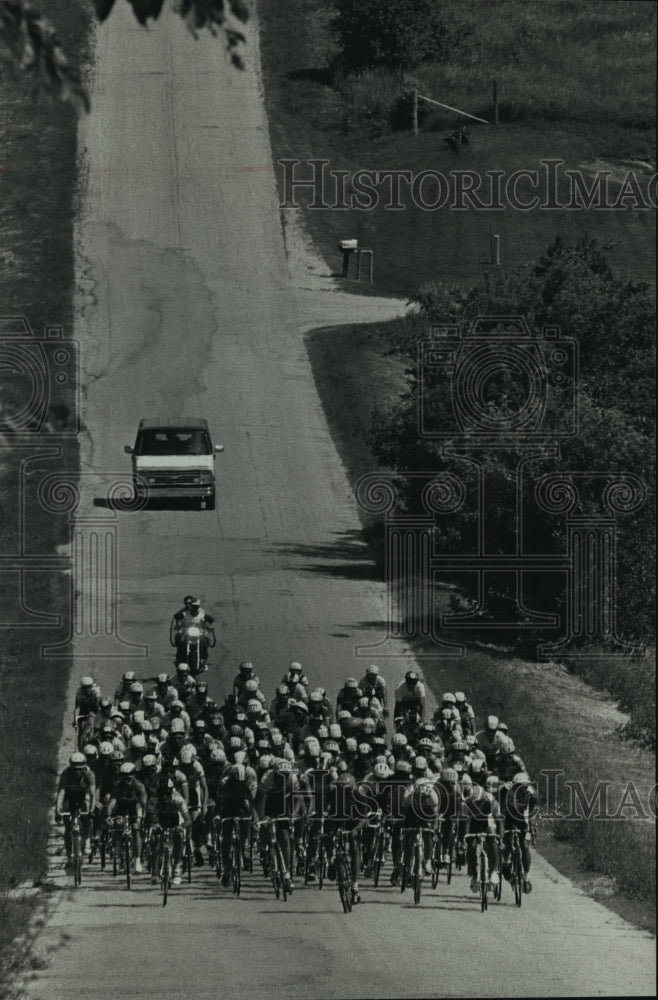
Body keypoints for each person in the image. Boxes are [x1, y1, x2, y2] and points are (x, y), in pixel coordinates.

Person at [256, 758, 303, 894]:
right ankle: (265, 847)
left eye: (286, 775)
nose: (283, 778)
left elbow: (298, 799)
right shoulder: (267, 777)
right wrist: (263, 817)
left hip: (283, 802)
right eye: (280, 776)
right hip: (268, 802)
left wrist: (293, 814)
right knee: (267, 828)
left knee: (285, 837)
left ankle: (287, 874)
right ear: (275, 773)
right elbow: (260, 800)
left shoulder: (292, 778)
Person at [219, 763, 258, 886]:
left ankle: (246, 853)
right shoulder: (225, 785)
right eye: (236, 783)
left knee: (245, 830)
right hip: (228, 810)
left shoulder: (245, 786)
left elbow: (252, 805)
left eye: (241, 783)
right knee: (226, 839)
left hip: (242, 810)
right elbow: (219, 803)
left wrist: (254, 818)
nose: (238, 785)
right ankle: (226, 869)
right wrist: (217, 815)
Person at [149, 776, 192, 886]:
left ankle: (177, 867)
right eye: (161, 793)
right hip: (161, 820)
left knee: (179, 836)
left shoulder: (178, 799)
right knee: (157, 839)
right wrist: (155, 823)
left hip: (175, 821)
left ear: (171, 791)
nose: (164, 796)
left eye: (167, 793)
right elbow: (150, 816)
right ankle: (155, 871)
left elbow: (188, 819)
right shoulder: (154, 800)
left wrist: (181, 826)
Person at [461, 781, 502, 893]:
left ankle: (494, 871)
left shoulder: (491, 801)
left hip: (488, 821)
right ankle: (474, 875)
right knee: (472, 847)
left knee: (492, 842)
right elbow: (465, 823)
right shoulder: (466, 804)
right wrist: (464, 839)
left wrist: (500, 837)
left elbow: (498, 821)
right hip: (474, 823)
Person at [500, 772, 538, 893]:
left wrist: (531, 825)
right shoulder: (508, 790)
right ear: (514, 785)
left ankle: (526, 877)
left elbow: (533, 810)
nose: (521, 788)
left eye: (524, 786)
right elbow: (503, 808)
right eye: (518, 786)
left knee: (525, 847)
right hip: (509, 819)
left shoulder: (531, 792)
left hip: (523, 820)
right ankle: (505, 862)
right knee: (506, 841)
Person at [55, 752, 95, 866]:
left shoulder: (89, 774)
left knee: (87, 812)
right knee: (68, 828)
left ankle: (86, 839)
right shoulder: (66, 773)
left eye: (79, 769)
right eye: (74, 769)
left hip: (83, 796)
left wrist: (91, 811)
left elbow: (92, 795)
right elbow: (61, 792)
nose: (77, 772)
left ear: (84, 768)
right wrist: (58, 811)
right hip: (69, 796)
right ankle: (69, 856)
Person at [106, 762, 147, 874]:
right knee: (118, 823)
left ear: (134, 777)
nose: (126, 781)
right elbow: (112, 803)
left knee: (136, 829)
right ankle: (119, 844)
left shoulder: (139, 786)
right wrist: (109, 816)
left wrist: (143, 816)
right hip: (122, 806)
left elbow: (144, 803)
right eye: (124, 779)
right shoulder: (118, 787)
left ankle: (137, 861)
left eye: (129, 779)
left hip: (136, 806)